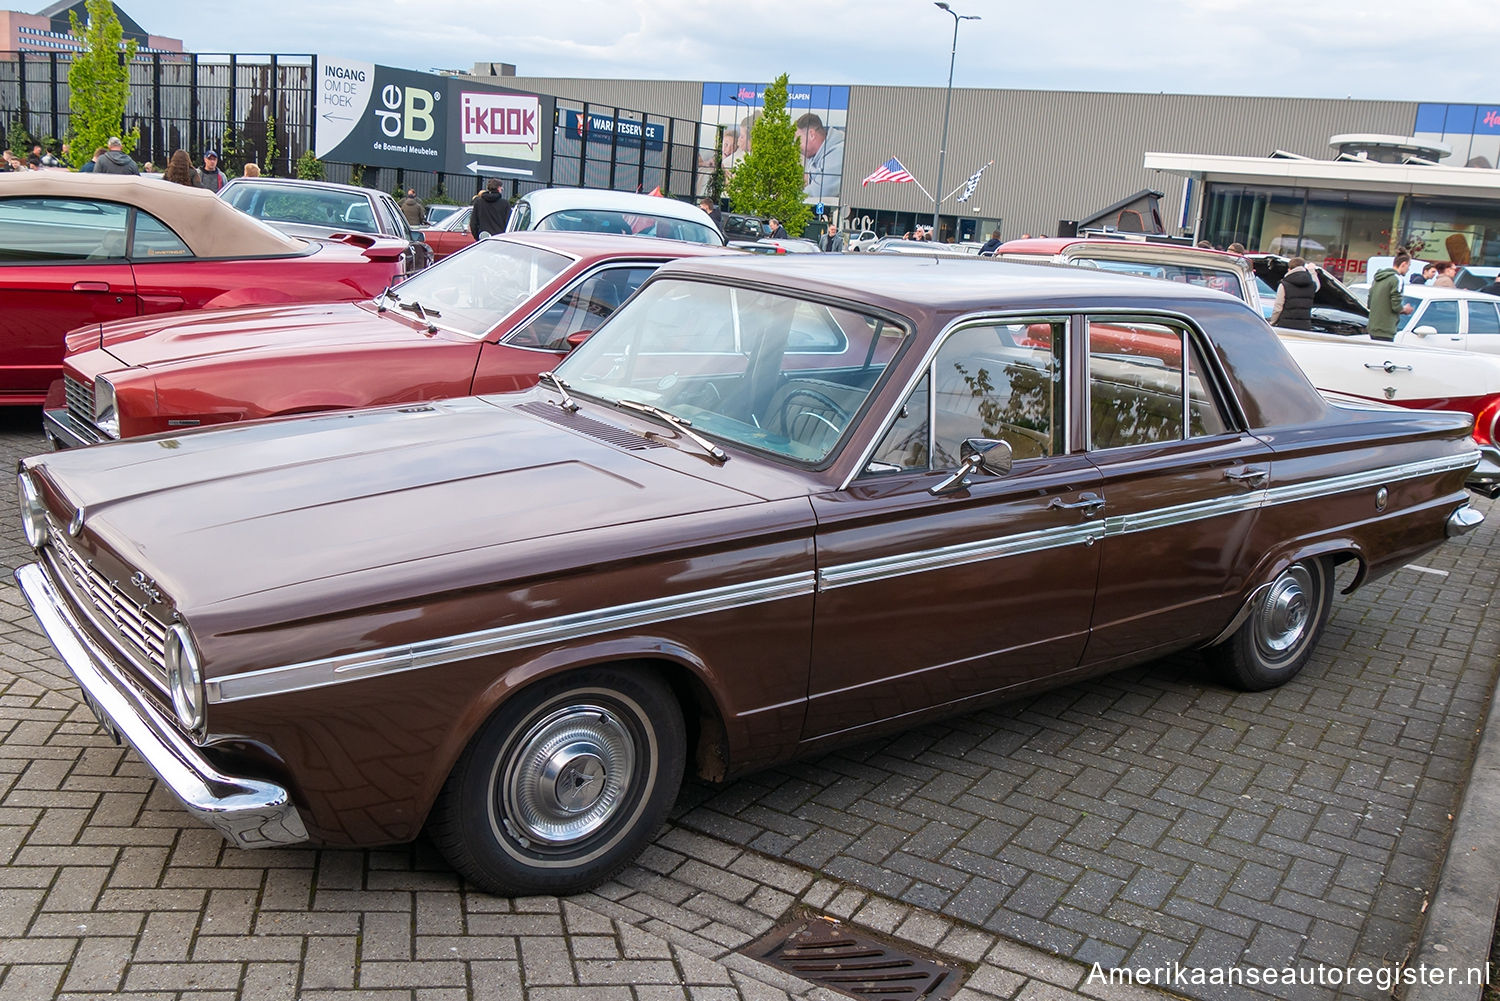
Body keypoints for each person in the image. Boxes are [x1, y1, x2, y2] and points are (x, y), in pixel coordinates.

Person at [795, 112, 844, 201]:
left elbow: (819, 192)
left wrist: (787, 201)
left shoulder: (838, 153)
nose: (796, 145)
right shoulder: (814, 155)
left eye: (798, 139)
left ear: (811, 134)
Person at [1368, 254, 1414, 340]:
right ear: (1403, 264)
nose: (1409, 269)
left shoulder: (1377, 279)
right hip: (1386, 329)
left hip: (1373, 327)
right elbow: (1396, 306)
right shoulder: (1397, 279)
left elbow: (1369, 302)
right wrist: (1405, 309)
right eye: (1409, 265)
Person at [1268, 257, 1317, 330]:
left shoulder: (1284, 285)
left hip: (1285, 326)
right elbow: (1318, 285)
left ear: (1289, 269)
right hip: (1305, 327)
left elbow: (1278, 308)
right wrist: (1312, 271)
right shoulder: (1311, 284)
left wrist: (1272, 322)